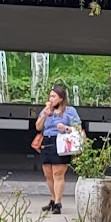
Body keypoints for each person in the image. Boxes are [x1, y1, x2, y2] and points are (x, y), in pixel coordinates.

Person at [35, 83, 80, 214]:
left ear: (61, 98)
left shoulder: (69, 111)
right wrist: (44, 115)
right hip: (47, 141)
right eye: (50, 96)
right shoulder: (46, 110)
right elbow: (38, 127)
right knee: (48, 174)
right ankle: (53, 198)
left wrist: (65, 128)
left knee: (58, 173)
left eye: (54, 96)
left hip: (61, 141)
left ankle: (58, 203)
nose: (51, 99)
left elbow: (77, 127)